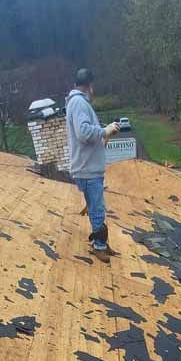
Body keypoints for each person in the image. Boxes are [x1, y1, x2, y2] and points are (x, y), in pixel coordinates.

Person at [65, 67, 120, 264]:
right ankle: (99, 246)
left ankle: (101, 243)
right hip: (87, 168)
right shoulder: (79, 102)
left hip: (88, 166)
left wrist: (105, 133)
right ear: (90, 86)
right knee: (97, 208)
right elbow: (83, 132)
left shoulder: (76, 102)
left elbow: (87, 131)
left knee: (97, 206)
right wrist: (104, 131)